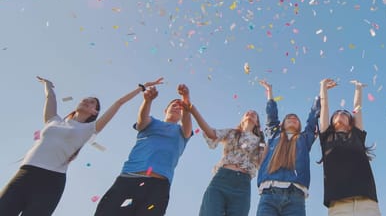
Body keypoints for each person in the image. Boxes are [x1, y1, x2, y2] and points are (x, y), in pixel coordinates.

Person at [0, 76, 162, 216]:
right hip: (25, 174)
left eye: (92, 103)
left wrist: (141, 87)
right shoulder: (54, 120)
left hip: (51, 182)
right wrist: (47, 85)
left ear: (94, 113)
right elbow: (50, 98)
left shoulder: (90, 129)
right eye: (85, 99)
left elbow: (119, 103)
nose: (87, 101)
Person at [94, 82, 192, 216]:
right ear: (166, 110)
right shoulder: (152, 122)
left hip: (158, 185)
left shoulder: (182, 131)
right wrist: (147, 101)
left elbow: (187, 120)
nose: (177, 107)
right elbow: (141, 121)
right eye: (173, 105)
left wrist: (186, 98)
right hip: (129, 178)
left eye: (180, 107)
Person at [185, 91, 265, 216]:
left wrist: (268, 144)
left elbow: (262, 162)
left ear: (257, 123)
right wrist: (193, 111)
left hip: (243, 184)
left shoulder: (260, 142)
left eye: (254, 114)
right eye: (247, 113)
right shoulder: (232, 133)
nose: (251, 114)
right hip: (222, 178)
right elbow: (211, 133)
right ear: (242, 119)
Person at [256, 80, 321, 216]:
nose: (293, 119)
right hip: (269, 192)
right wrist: (269, 91)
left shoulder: (304, 139)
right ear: (282, 124)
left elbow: (313, 118)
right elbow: (271, 115)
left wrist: (320, 94)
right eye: (289, 118)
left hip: (295, 195)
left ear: (300, 125)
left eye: (296, 118)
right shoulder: (274, 135)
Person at [319, 79, 381, 216]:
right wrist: (323, 87)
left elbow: (357, 107)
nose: (340, 114)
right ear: (332, 120)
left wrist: (358, 88)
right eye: (337, 113)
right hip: (339, 205)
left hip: (367, 202)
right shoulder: (326, 137)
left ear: (350, 121)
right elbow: (324, 106)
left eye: (345, 113)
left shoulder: (357, 136)